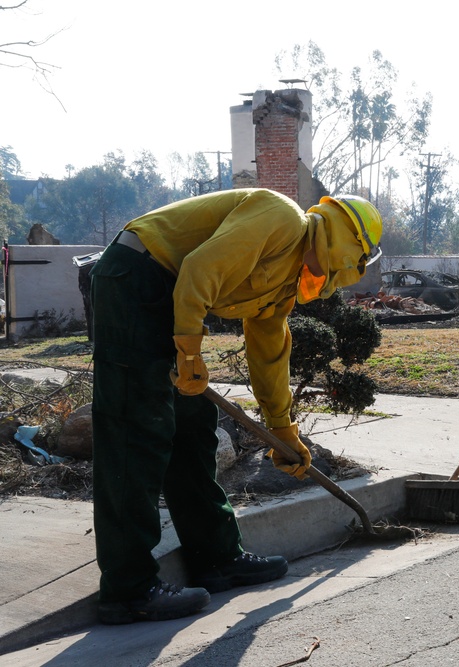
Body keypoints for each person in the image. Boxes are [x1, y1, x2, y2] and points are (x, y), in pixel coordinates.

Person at [90, 188, 382, 623]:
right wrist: (189, 352)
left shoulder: (287, 277)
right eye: (355, 263)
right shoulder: (282, 218)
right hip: (138, 277)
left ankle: (217, 558)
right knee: (137, 429)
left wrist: (283, 429)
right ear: (348, 243)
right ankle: (128, 589)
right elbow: (200, 269)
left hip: (169, 287)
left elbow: (267, 352)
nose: (344, 276)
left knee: (193, 425)